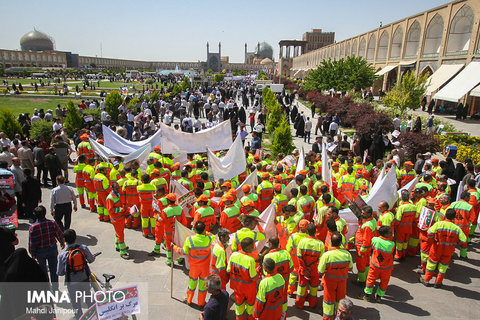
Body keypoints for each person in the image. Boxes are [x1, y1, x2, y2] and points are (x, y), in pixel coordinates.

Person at [420, 208, 467, 287]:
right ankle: (438, 282)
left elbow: (429, 232)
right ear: (454, 217)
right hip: (448, 251)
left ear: (445, 215)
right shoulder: (456, 228)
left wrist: (434, 238)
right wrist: (456, 242)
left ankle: (426, 280)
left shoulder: (439, 224)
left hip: (436, 248)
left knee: (431, 264)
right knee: (443, 267)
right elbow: (464, 240)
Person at [174, 221, 214, 308]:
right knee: (203, 287)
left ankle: (188, 300)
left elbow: (183, 252)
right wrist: (206, 232)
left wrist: (174, 247)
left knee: (192, 285)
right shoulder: (209, 238)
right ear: (204, 230)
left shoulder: (190, 240)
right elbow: (211, 235)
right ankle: (201, 303)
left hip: (194, 268)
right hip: (205, 268)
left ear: (195, 229)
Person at [57, 229, 96, 319]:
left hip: (72, 283)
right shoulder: (83, 248)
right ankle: (93, 316)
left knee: (75, 303)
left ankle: (79, 317)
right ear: (75, 238)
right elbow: (91, 259)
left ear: (65, 240)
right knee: (89, 299)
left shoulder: (63, 255)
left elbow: (60, 272)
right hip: (85, 279)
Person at [28, 205, 65, 290]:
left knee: (43, 270)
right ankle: (55, 288)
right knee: (53, 269)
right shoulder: (52, 223)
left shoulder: (33, 228)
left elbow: (32, 243)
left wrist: (32, 254)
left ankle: (47, 287)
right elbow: (59, 234)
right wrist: (62, 242)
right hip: (52, 249)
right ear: (45, 213)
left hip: (40, 252)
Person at [319, 232, 353, 320]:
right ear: (340, 242)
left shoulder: (326, 255)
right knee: (340, 301)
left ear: (331, 242)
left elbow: (320, 271)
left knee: (328, 302)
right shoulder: (347, 254)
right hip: (342, 282)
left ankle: (327, 318)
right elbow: (350, 268)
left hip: (329, 282)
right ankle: (339, 316)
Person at [227, 237, 258, 320]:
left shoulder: (233, 255)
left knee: (239, 305)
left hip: (237, 287)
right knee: (250, 305)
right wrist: (257, 271)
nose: (253, 248)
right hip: (249, 288)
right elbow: (254, 277)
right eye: (252, 247)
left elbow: (228, 270)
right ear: (248, 248)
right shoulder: (250, 260)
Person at [296, 222, 325, 309]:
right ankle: (312, 304)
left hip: (303, 270)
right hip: (314, 271)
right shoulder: (320, 244)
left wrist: (305, 269)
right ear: (315, 231)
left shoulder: (302, 242)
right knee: (313, 288)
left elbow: (299, 257)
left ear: (307, 231)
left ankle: (299, 304)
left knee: (301, 288)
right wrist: (311, 268)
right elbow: (321, 259)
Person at [362, 226, 394, 302]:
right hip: (386, 267)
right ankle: (379, 297)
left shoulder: (375, 240)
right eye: (389, 232)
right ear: (385, 234)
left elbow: (372, 241)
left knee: (370, 279)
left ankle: (367, 296)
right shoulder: (391, 244)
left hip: (375, 265)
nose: (391, 233)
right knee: (384, 281)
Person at [105, 182, 129, 260]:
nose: (119, 189)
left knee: (118, 233)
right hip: (116, 219)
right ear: (112, 189)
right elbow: (110, 210)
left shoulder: (116, 195)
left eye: (119, 188)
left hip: (120, 218)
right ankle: (123, 252)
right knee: (120, 235)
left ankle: (118, 246)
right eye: (117, 188)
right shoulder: (110, 198)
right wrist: (122, 209)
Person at [354, 205, 376, 284]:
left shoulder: (367, 226)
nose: (362, 214)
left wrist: (361, 251)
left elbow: (366, 240)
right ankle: (366, 277)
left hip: (362, 247)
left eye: (363, 213)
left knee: (361, 265)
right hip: (368, 247)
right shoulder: (372, 220)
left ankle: (361, 280)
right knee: (366, 263)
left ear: (369, 214)